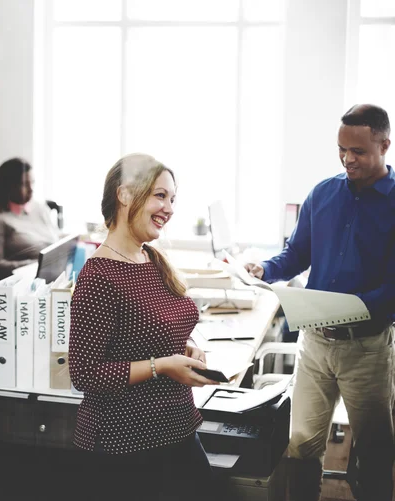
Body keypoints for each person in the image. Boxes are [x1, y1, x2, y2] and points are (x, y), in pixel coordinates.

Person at [245, 104, 395, 501]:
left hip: (367, 349)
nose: (348, 159)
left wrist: (347, 308)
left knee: (376, 455)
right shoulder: (323, 194)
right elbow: (296, 255)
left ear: (385, 145)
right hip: (315, 344)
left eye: (358, 151)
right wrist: (263, 268)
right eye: (341, 149)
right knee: (300, 443)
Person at [68, 153, 220, 501]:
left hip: (176, 426)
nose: (169, 207)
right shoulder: (98, 276)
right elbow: (85, 374)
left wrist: (187, 343)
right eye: (160, 195)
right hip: (127, 444)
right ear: (124, 195)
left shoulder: (150, 257)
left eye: (172, 198)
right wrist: (163, 366)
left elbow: (160, 323)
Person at [0, 157, 60, 282]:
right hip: (24, 283)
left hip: (52, 275)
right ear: (9, 186)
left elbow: (55, 236)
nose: (31, 189)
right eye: (24, 184)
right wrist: (36, 265)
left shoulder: (39, 207)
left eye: (32, 182)